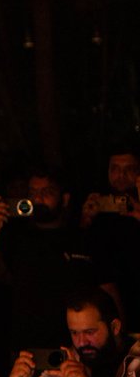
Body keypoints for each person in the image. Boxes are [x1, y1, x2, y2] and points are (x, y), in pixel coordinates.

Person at [0, 170, 115, 352]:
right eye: (33, 193)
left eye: (47, 192)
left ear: (64, 199)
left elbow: (108, 292)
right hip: (28, 350)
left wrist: (116, 340)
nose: (39, 199)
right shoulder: (17, 238)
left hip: (78, 348)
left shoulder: (84, 239)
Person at [5, 287, 133, 377]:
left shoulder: (136, 359)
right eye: (74, 332)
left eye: (90, 332)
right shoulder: (72, 358)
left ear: (115, 327)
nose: (81, 342)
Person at [82, 142, 140, 332]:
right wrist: (86, 220)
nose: (121, 176)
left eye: (129, 169)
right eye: (115, 169)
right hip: (107, 312)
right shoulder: (98, 210)